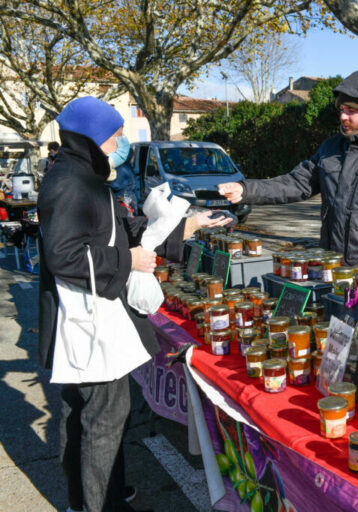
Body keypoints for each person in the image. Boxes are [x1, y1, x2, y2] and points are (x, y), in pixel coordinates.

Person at [37, 96, 228, 512]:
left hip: (91, 315)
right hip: (87, 323)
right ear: (92, 136)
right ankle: (98, 504)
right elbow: (65, 256)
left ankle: (94, 496)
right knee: (104, 420)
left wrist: (187, 224)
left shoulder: (81, 173)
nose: (121, 142)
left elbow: (119, 228)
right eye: (116, 134)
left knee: (85, 417)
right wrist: (130, 262)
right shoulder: (70, 182)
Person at [218, 69, 358, 292]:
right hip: (332, 270)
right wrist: (246, 189)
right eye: (342, 109)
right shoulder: (331, 148)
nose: (343, 116)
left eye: (352, 111)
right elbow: (297, 183)